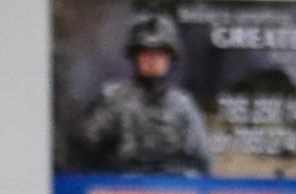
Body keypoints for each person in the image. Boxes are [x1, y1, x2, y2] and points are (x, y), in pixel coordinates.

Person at [73, 14, 212, 177]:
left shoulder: (183, 106)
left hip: (171, 191)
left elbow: (202, 162)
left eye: (159, 54)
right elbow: (85, 151)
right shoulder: (113, 100)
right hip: (120, 190)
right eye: (146, 53)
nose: (152, 61)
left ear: (170, 58)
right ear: (135, 57)